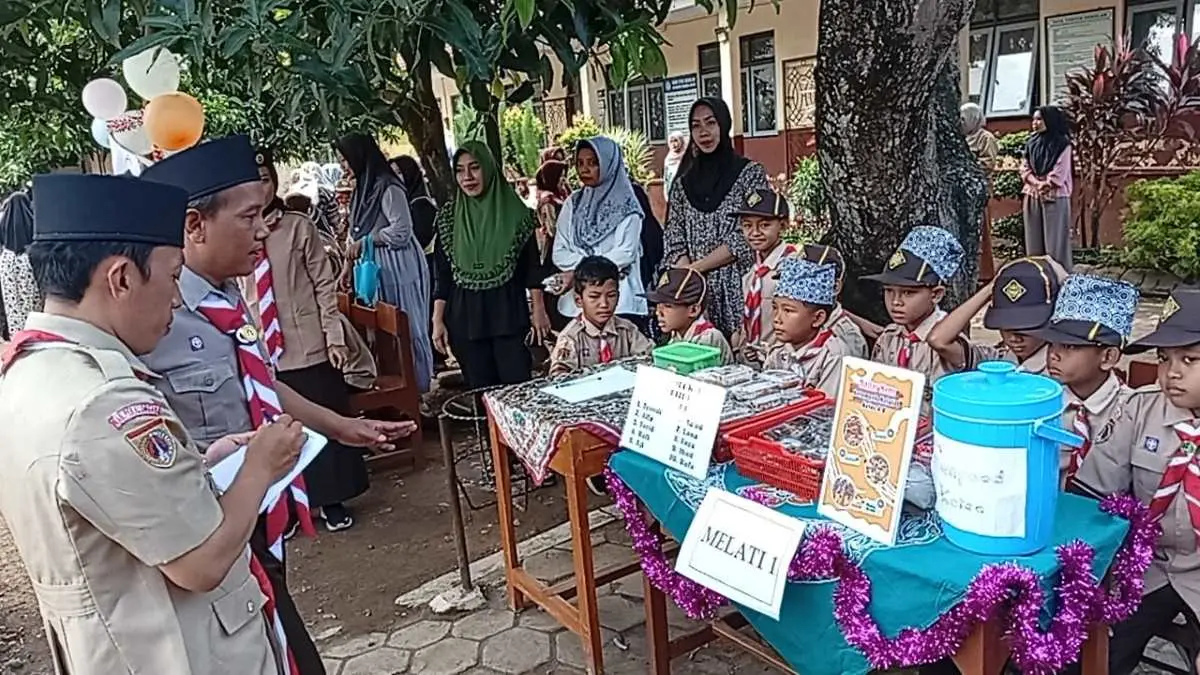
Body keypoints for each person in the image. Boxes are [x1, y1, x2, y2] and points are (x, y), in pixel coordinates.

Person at [0, 173, 301, 674]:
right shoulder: (105, 402)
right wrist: (260, 468)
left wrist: (203, 465)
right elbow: (201, 562)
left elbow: (111, 504)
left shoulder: (26, 374)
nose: (178, 300)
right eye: (173, 276)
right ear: (121, 279)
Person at [140, 135, 417, 675]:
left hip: (259, 519)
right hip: (208, 537)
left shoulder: (227, 294)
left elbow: (261, 382)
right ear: (195, 225)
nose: (264, 230)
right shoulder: (156, 318)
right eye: (249, 217)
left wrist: (342, 426)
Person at [1070, 287, 1200, 675]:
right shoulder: (1140, 409)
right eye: (1163, 358)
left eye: (1190, 359)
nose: (1171, 373)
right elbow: (1090, 493)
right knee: (1094, 656)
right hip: (1148, 566)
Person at [243, 148, 369, 532]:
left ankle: (332, 500)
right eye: (254, 182)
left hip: (306, 342)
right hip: (264, 348)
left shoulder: (298, 227)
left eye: (266, 180)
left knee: (323, 419)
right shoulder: (236, 234)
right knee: (280, 429)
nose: (261, 188)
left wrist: (334, 337)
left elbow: (323, 285)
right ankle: (292, 506)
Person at [431, 141, 551, 389]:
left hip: (508, 316)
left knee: (517, 392)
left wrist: (539, 310)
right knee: (481, 394)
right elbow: (443, 276)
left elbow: (532, 269)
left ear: (488, 168)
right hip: (464, 321)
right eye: (460, 170)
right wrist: (437, 320)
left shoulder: (517, 216)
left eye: (475, 167)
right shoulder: (448, 219)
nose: (467, 177)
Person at [664, 97, 771, 337]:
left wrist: (696, 269)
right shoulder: (683, 183)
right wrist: (689, 279)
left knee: (741, 349)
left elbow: (749, 234)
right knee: (701, 350)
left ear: (724, 124)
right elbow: (673, 236)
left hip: (738, 284)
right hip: (695, 293)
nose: (704, 132)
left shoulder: (749, 174)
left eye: (710, 123)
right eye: (696, 126)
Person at [335, 133, 433, 393]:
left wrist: (368, 241)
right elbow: (355, 233)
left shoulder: (388, 187)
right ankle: (394, 389)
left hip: (398, 267)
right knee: (383, 334)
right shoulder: (362, 190)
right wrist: (347, 267)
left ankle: (417, 390)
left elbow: (402, 231)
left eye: (346, 160)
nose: (344, 166)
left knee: (406, 328)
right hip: (372, 267)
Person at [1030, 274, 1137, 481]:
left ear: (1108, 357)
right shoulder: (1040, 402)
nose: (1053, 355)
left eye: (1069, 346)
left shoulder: (1133, 412)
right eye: (1052, 344)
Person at [862, 226, 965, 410]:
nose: (895, 302)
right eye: (888, 291)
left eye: (908, 293)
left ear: (936, 295)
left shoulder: (949, 343)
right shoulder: (889, 338)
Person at [552, 137, 648, 332]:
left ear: (608, 164)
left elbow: (625, 253)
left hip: (620, 303)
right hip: (576, 306)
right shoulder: (573, 203)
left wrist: (577, 272)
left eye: (593, 163)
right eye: (580, 163)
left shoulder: (627, 206)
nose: (585, 169)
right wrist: (588, 268)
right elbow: (559, 252)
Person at [927, 257, 1061, 373]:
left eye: (1025, 328)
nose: (1014, 338)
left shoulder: (1058, 368)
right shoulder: (997, 359)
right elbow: (938, 340)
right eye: (1006, 328)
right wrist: (991, 287)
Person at [762, 257, 857, 396]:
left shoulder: (833, 355)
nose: (777, 319)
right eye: (775, 308)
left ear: (818, 318)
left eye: (788, 310)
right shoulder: (779, 351)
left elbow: (826, 403)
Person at [549, 255, 654, 376]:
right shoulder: (570, 337)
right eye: (594, 297)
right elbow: (559, 377)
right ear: (579, 300)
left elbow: (649, 359)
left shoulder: (628, 330)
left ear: (618, 297)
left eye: (611, 295)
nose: (604, 304)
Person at [731, 188, 797, 356]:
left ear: (783, 226)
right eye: (747, 225)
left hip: (782, 359)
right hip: (752, 359)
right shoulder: (753, 272)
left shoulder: (794, 267)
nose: (754, 233)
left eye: (764, 225)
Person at [1021, 105, 1074, 271]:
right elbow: (1024, 168)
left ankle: (1059, 276)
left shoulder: (1063, 144)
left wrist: (1047, 183)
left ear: (1049, 121)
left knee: (1055, 242)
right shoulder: (1031, 143)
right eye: (1034, 119)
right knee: (1033, 240)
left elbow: (1060, 172)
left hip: (1054, 196)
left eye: (1039, 119)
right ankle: (1038, 276)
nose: (1035, 123)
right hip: (1033, 194)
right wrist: (1036, 183)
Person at [643, 267, 732, 365]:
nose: (658, 312)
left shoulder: (708, 338)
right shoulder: (675, 334)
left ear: (694, 310)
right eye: (658, 305)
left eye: (668, 306)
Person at [797, 244, 869, 359]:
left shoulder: (846, 337)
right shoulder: (792, 319)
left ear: (835, 287)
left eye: (808, 283)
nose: (794, 289)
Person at [533, 159, 571, 331]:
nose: (563, 179)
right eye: (560, 176)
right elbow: (552, 229)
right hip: (554, 251)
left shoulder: (560, 195)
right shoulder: (548, 200)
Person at [0, 191, 42, 336]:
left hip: (7, 263)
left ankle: (17, 336)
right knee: (31, 302)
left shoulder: (4, 223)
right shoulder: (32, 223)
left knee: (13, 305)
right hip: (27, 263)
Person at [388, 155, 438, 255]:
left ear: (409, 173)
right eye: (391, 173)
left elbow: (418, 241)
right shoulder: (403, 204)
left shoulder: (421, 205)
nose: (394, 178)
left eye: (398, 173)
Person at [961, 103, 999, 176]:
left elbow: (988, 164)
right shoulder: (961, 136)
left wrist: (968, 169)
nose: (961, 123)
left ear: (973, 118)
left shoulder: (986, 138)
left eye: (963, 119)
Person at [662, 130, 687, 199]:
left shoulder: (687, 158)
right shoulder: (668, 160)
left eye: (676, 140)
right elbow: (666, 179)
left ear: (681, 141)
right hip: (672, 194)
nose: (673, 144)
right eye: (671, 141)